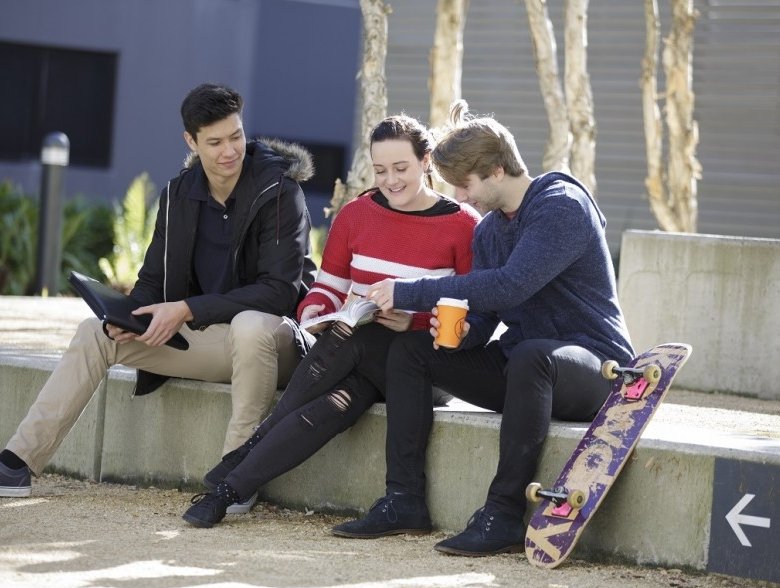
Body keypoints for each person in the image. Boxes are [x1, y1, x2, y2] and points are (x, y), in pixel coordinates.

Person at [331, 100, 634, 556]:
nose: (463, 197)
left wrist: (410, 291)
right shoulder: (491, 230)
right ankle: (404, 500)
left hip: (595, 368)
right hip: (525, 369)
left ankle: (503, 514)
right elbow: (487, 318)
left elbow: (511, 286)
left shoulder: (561, 206)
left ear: (496, 170)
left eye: (466, 185)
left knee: (533, 354)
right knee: (413, 351)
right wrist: (453, 332)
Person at [0, 83, 317, 503]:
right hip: (211, 343)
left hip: (273, 344)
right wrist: (127, 317)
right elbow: (153, 281)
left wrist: (185, 309)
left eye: (236, 136)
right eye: (215, 142)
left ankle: (236, 477)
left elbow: (278, 293)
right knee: (93, 332)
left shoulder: (280, 192)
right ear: (191, 141)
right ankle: (17, 462)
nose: (229, 151)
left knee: (250, 325)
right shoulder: (178, 195)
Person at [181, 114, 480, 528]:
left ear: (425, 161)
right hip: (357, 362)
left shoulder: (463, 225)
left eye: (401, 168)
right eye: (380, 170)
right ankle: (224, 495)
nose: (390, 181)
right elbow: (327, 288)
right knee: (332, 405)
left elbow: (474, 313)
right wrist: (316, 313)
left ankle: (247, 450)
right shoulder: (356, 214)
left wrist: (410, 320)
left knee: (353, 339)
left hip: (423, 367)